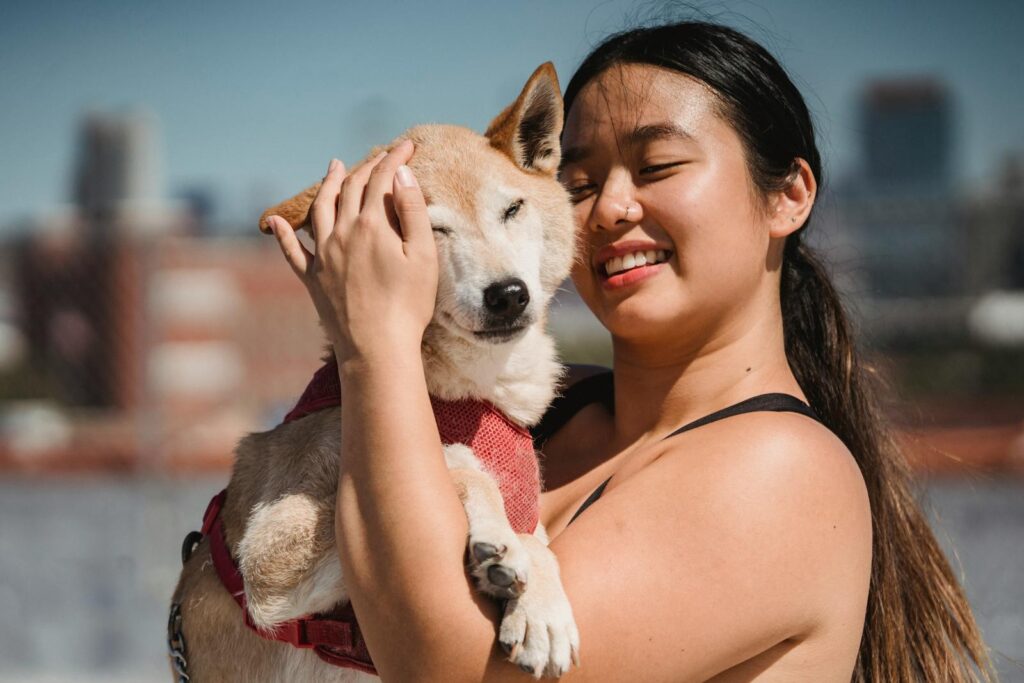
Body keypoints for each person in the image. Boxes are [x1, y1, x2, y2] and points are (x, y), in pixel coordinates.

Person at [266, 20, 995, 682]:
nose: (610, 207)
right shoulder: (532, 407)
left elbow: (444, 670)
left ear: (789, 196)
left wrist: (374, 349)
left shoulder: (781, 471)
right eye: (577, 181)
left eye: (656, 166)